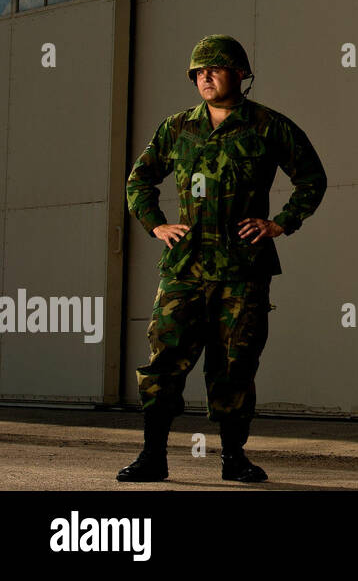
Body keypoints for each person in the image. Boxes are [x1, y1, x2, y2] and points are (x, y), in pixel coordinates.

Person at [116, 35, 327, 483]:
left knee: (235, 364)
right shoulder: (177, 127)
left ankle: (234, 459)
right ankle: (153, 456)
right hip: (185, 268)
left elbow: (312, 178)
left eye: (215, 68)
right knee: (164, 361)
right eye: (199, 71)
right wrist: (156, 225)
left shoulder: (268, 126)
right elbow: (139, 180)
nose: (206, 76)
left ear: (240, 74)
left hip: (242, 269)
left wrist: (280, 223)